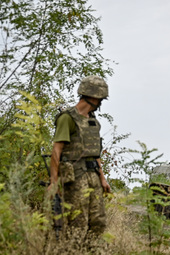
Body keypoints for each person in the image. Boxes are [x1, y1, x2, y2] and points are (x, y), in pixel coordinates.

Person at [48, 75, 111, 238]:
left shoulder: (93, 122)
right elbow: (56, 150)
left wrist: (103, 179)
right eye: (100, 99)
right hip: (75, 176)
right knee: (78, 222)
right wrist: (54, 182)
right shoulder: (67, 118)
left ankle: (90, 250)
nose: (100, 104)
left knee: (98, 221)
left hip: (93, 176)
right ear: (93, 97)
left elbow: (95, 153)